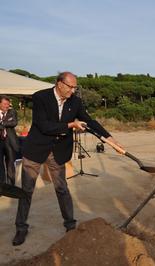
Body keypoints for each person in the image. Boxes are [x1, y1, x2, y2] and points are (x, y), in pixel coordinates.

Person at [13, 72, 122, 246]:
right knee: (26, 190)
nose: (73, 91)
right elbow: (43, 125)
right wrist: (70, 125)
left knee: (62, 189)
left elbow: (89, 120)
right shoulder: (41, 97)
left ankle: (70, 225)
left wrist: (108, 138)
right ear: (59, 84)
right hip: (36, 149)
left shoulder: (75, 102)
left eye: (75, 87)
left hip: (58, 151)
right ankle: (21, 228)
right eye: (70, 87)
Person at [0, 95, 19, 185]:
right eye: (5, 104)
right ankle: (2, 185)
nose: (7, 106)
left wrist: (2, 123)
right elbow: (10, 122)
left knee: (10, 163)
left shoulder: (12, 112)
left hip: (9, 141)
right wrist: (6, 123)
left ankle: (11, 186)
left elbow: (14, 122)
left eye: (8, 104)